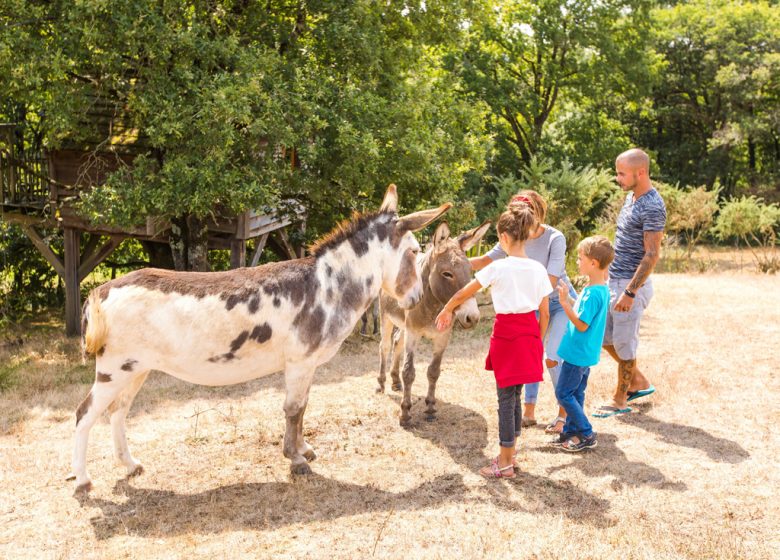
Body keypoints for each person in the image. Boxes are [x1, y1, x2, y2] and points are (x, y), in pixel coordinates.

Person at [436, 204, 552, 478]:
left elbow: (465, 291)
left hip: (506, 335)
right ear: (527, 236)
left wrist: (447, 309)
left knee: (505, 399)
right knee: (516, 394)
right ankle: (511, 453)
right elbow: (545, 312)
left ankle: (504, 462)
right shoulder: (538, 269)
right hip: (529, 334)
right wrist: (538, 340)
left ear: (503, 237)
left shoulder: (498, 267)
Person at [470, 190, 576, 433]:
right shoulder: (514, 235)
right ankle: (529, 410)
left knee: (551, 355)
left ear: (536, 214)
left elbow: (549, 281)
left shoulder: (554, 238)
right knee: (528, 353)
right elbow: (485, 261)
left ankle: (564, 413)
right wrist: (449, 260)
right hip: (534, 302)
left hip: (558, 302)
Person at [593, 148, 666, 418]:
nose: (617, 178)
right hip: (615, 279)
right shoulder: (630, 198)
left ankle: (620, 400)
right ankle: (639, 381)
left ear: (641, 172)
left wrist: (630, 292)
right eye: (617, 172)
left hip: (631, 285)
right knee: (604, 336)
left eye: (622, 173)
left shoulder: (653, 205)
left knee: (624, 343)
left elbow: (652, 253)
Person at [550, 236, 614, 451]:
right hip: (585, 353)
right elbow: (582, 311)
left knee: (564, 394)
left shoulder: (592, 294)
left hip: (576, 354)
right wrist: (569, 299)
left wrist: (563, 304)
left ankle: (586, 433)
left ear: (593, 263)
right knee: (576, 393)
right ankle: (570, 432)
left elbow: (581, 324)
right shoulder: (599, 289)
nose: (577, 262)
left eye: (580, 258)